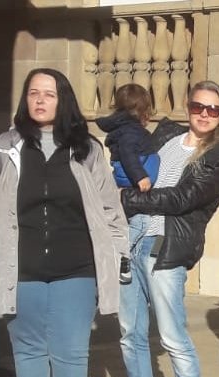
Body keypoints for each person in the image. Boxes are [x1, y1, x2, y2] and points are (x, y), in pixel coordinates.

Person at [0, 68, 129, 377]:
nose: (40, 100)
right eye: (33, 93)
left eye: (49, 93)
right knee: (28, 351)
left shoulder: (87, 149)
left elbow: (110, 208)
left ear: (63, 100)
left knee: (71, 351)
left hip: (76, 268)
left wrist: (120, 255)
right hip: (21, 267)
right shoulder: (3, 146)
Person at [118, 80, 219, 377]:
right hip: (132, 241)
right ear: (187, 107)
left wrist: (128, 199)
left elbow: (180, 199)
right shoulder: (167, 135)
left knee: (172, 336)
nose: (204, 114)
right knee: (130, 332)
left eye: (213, 109)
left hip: (166, 249)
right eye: (198, 107)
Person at [98, 83, 161, 283]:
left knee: (129, 220)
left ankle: (121, 255)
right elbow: (127, 154)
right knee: (142, 221)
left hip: (130, 181)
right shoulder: (130, 132)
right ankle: (121, 255)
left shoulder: (125, 129)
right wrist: (140, 177)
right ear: (141, 112)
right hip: (134, 180)